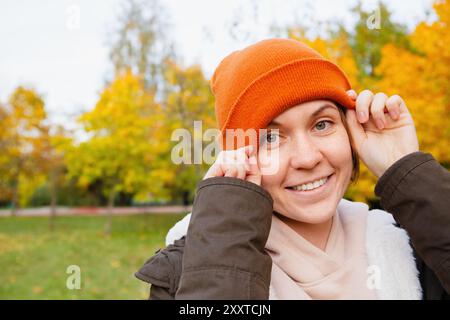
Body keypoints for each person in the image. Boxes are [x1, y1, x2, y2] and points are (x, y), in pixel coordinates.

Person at [135, 38, 450, 300]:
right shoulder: (189, 270)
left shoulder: (415, 244)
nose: (307, 157)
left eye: (322, 124)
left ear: (352, 131)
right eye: (271, 137)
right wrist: (226, 226)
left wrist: (406, 170)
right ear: (239, 154)